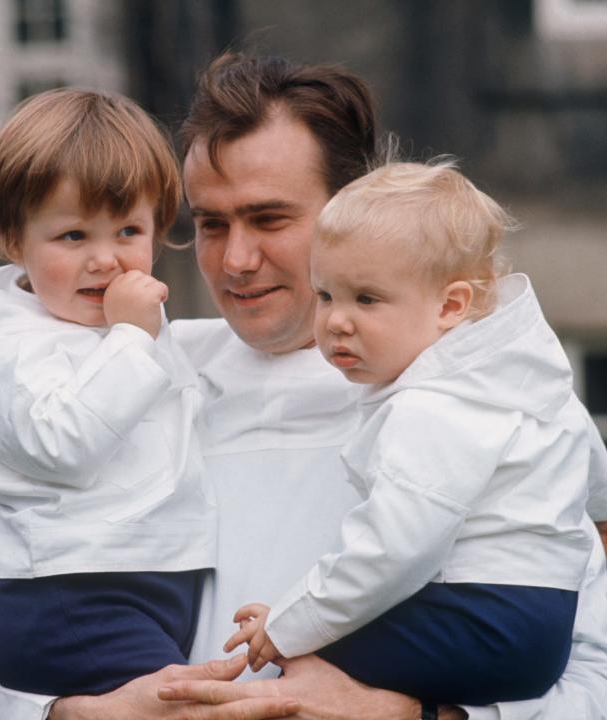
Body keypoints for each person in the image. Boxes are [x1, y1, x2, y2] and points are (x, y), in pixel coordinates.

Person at [0, 53, 607, 720]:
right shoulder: (122, 382)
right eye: (210, 223)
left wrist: (407, 716)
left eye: (270, 219)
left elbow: (589, 667)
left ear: (355, 210)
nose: (236, 260)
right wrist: (75, 714)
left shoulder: (474, 393)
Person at [227, 160, 594, 706]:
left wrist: (287, 623)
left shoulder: (433, 407)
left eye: (366, 299)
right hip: (539, 623)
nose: (336, 322)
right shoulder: (526, 379)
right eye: (326, 295)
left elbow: (392, 550)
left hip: (484, 621)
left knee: (301, 665)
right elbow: (594, 464)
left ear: (451, 306)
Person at [0, 88, 215, 697]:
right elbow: (63, 443)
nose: (105, 260)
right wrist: (132, 337)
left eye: (129, 230)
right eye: (73, 236)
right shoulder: (13, 347)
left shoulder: (126, 335)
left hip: (146, 587)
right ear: (11, 238)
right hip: (69, 599)